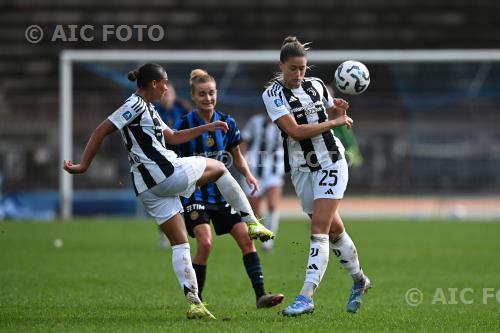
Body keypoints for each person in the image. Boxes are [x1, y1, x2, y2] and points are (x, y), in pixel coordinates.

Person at [63, 63, 274, 320]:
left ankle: (195, 303)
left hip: (148, 189)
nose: (166, 88)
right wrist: (84, 164)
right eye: (163, 83)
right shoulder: (134, 105)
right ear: (153, 84)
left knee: (180, 243)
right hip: (167, 173)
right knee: (220, 168)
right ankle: (252, 222)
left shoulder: (149, 108)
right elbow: (101, 130)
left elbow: (172, 137)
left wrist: (205, 128)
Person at [261, 37, 371, 316]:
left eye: (303, 69)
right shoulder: (272, 95)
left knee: (319, 230)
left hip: (331, 161)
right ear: (281, 65)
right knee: (334, 231)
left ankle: (306, 296)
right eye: (293, 69)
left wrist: (338, 111)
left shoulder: (317, 85)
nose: (299, 75)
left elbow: (328, 113)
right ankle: (360, 281)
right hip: (301, 169)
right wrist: (334, 120)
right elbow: (295, 131)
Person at [172, 69, 284, 308]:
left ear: (216, 94)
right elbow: (173, 160)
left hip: (222, 194)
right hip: (195, 195)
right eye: (202, 94)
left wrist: (249, 174)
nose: (207, 98)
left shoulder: (227, 122)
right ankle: (196, 301)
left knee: (246, 239)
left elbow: (236, 154)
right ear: (193, 97)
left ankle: (261, 296)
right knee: (205, 243)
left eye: (211, 93)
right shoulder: (184, 125)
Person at [240, 113, 285, 253]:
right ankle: (257, 238)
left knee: (272, 205)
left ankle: (268, 243)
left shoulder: (284, 121)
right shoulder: (255, 121)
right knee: (255, 211)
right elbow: (244, 141)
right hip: (254, 170)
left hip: (275, 170)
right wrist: (242, 161)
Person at [154, 81, 192, 249]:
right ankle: (164, 234)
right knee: (164, 199)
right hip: (161, 160)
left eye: (170, 92)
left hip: (181, 157)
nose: (167, 95)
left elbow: (192, 121)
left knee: (181, 198)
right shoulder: (153, 110)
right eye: (165, 92)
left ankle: (179, 235)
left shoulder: (181, 109)